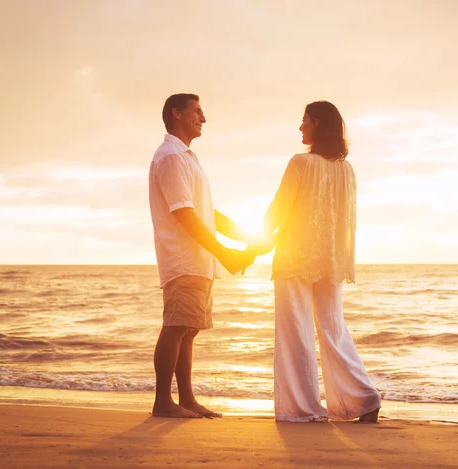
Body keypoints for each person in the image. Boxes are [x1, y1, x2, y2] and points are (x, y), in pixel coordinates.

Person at [257, 101, 381, 423]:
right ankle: (364, 398)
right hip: (331, 259)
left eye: (304, 121)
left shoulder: (300, 163)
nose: (300, 128)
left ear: (318, 125)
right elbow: (346, 221)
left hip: (295, 257)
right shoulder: (346, 169)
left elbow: (278, 209)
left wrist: (250, 246)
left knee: (295, 330)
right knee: (333, 328)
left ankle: (304, 409)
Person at [148, 93, 254, 418]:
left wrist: (248, 236)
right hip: (183, 260)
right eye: (197, 111)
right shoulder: (170, 157)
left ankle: (187, 400)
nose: (203, 118)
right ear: (176, 113)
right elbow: (186, 215)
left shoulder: (187, 158)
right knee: (177, 326)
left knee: (188, 331)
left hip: (198, 261)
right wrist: (223, 253)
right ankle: (163, 402)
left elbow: (208, 213)